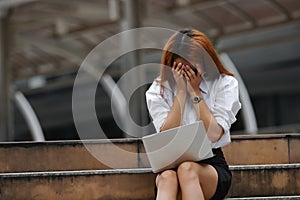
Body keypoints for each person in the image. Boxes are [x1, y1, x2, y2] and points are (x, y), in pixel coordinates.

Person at [145, 29, 241, 200]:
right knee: (167, 177)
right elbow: (166, 135)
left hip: (210, 166)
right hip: (171, 164)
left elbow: (213, 134)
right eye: (182, 68)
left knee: (187, 169)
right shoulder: (158, 90)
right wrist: (181, 93)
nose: (188, 73)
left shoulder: (225, 84)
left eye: (193, 67)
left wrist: (195, 93)